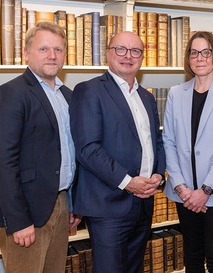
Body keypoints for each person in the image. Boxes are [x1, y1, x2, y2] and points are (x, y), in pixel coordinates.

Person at [0, 21, 81, 272]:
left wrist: (72, 204)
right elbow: (2, 163)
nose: (52, 55)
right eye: (44, 49)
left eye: (58, 50)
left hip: (60, 204)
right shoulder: (10, 93)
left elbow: (69, 154)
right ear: (26, 53)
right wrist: (18, 221)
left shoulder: (68, 96)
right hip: (26, 211)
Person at [70, 31, 166, 272]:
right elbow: (88, 149)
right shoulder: (89, 90)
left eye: (135, 51)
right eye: (120, 49)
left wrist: (158, 175)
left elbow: (157, 141)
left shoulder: (146, 97)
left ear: (143, 57)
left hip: (144, 202)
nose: (128, 56)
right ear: (108, 53)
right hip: (108, 205)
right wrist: (128, 182)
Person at [162, 31, 213, 273]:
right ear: (188, 59)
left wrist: (206, 190)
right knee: (192, 255)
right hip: (183, 192)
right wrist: (182, 188)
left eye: (205, 52)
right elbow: (169, 141)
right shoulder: (177, 93)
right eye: (194, 52)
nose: (200, 58)